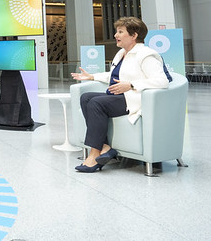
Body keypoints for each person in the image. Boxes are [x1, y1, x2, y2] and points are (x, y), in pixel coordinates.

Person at [70, 16, 169, 173]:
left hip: (134, 99)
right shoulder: (121, 54)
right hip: (118, 97)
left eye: (120, 32)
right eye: (117, 31)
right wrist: (92, 76)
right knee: (86, 97)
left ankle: (94, 153)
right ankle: (104, 147)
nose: (116, 35)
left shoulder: (146, 54)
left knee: (96, 103)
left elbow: (162, 81)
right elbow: (115, 76)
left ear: (134, 35)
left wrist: (131, 85)